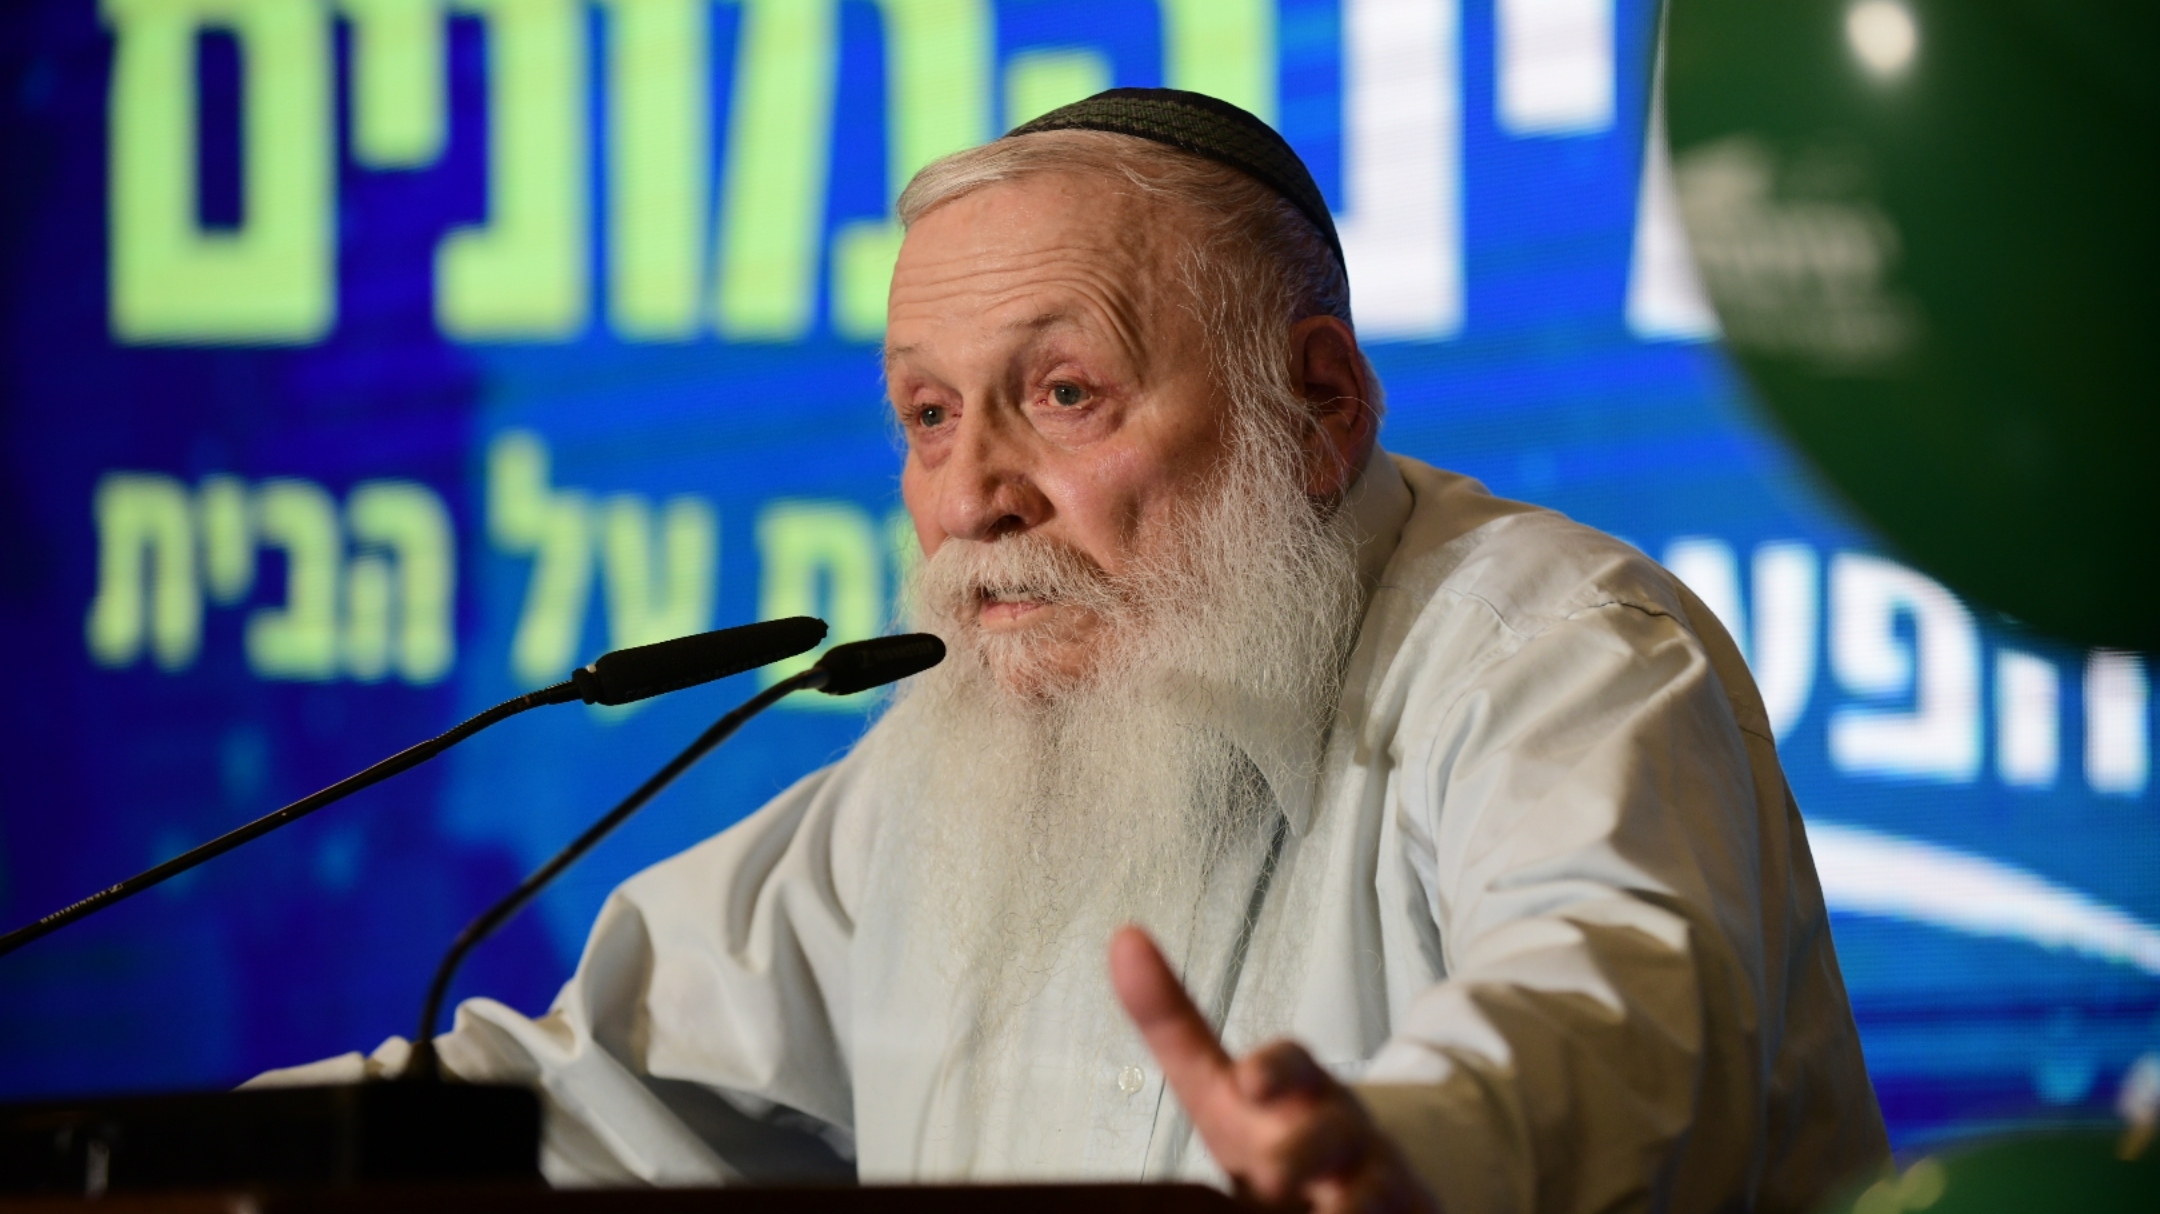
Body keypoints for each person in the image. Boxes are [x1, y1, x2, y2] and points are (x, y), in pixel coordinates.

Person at [255, 90, 1890, 1212]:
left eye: (1063, 394)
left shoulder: (1552, 648)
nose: (971, 496)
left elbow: (1615, 1005)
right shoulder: (937, 777)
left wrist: (1396, 1142)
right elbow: (583, 1090)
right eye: (927, 414)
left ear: (1315, 406)